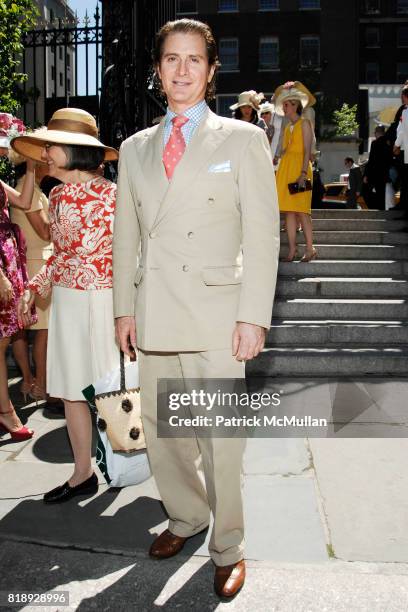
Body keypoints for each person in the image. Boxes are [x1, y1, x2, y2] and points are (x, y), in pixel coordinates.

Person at [113, 18, 279, 599]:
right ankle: (185, 516)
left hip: (216, 314)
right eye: (171, 59)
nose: (181, 70)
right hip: (155, 310)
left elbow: (262, 235)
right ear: (158, 70)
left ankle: (228, 544)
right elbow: (126, 237)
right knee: (164, 434)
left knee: (219, 438)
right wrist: (123, 311)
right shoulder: (134, 150)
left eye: (193, 60)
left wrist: (253, 316)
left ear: (211, 71)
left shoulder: (241, 139)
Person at [13, 107, 119, 503]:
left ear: (75, 150)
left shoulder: (113, 194)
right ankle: (82, 474)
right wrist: (33, 286)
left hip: (107, 301)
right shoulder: (55, 195)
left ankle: (133, 462)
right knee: (73, 391)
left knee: (113, 390)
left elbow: (130, 254)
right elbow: (59, 254)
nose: (44, 153)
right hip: (69, 303)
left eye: (51, 145)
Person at [9, 147, 53, 402]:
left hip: (28, 261)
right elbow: (45, 232)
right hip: (38, 263)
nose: (50, 161)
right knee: (43, 331)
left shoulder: (22, 188)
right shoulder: (32, 191)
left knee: (22, 331)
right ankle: (40, 385)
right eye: (45, 157)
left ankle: (28, 382)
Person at [0, 136, 37, 442]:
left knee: (4, 340)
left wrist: (32, 168)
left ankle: (4, 409)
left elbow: (24, 202)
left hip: (7, 260)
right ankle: (5, 411)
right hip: (1, 267)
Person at [274, 83, 316, 262]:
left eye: (287, 104)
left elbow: (307, 150)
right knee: (289, 212)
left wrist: (303, 173)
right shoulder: (287, 127)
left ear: (296, 106)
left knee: (302, 212)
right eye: (283, 104)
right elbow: (286, 150)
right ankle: (292, 250)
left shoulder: (304, 124)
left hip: (300, 169)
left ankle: (310, 248)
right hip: (286, 169)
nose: (284, 107)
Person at [363, 125, 392, 210]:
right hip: (385, 173)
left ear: (376, 133)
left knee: (366, 191)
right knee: (382, 193)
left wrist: (366, 175)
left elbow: (372, 160)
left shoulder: (375, 143)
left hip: (375, 174)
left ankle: (375, 208)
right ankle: (381, 208)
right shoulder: (388, 142)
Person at [394, 85, 408, 213]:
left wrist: (396, 145)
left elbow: (402, 132)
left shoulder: (405, 111)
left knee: (404, 178)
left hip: (406, 150)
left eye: (402, 95)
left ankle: (403, 204)